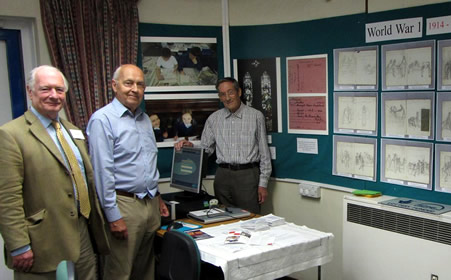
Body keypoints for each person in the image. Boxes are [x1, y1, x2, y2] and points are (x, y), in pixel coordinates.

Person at [0, 65, 110, 279]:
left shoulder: (72, 130)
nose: (54, 95)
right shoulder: (11, 135)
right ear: (30, 92)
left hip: (82, 231)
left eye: (59, 90)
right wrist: (19, 246)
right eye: (45, 89)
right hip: (42, 240)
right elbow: (7, 198)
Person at [87, 64, 169, 280]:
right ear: (115, 86)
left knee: (145, 271)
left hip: (149, 204)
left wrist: (158, 196)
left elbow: (148, 162)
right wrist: (113, 216)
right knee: (120, 273)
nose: (135, 89)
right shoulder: (102, 120)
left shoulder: (144, 119)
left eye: (140, 84)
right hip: (124, 206)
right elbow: (102, 173)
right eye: (128, 83)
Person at [175, 77, 271, 213]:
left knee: (250, 219)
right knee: (222, 217)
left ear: (239, 92)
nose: (227, 98)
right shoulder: (214, 119)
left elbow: (264, 153)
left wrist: (263, 184)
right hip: (222, 176)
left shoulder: (255, 116)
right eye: (222, 94)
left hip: (247, 176)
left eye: (230, 92)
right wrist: (190, 146)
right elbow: (206, 149)